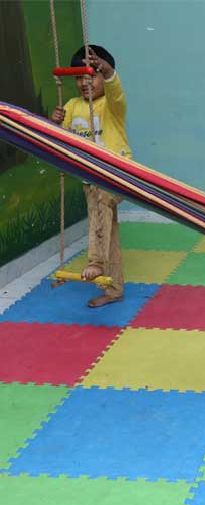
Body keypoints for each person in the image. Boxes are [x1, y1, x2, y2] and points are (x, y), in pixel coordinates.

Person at [51, 45, 130, 308]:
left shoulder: (112, 105)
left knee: (101, 203)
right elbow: (59, 140)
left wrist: (108, 72)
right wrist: (54, 122)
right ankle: (114, 289)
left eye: (91, 76)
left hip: (117, 175)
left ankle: (96, 262)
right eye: (78, 77)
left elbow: (116, 91)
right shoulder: (72, 106)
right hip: (91, 179)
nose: (84, 83)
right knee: (109, 231)